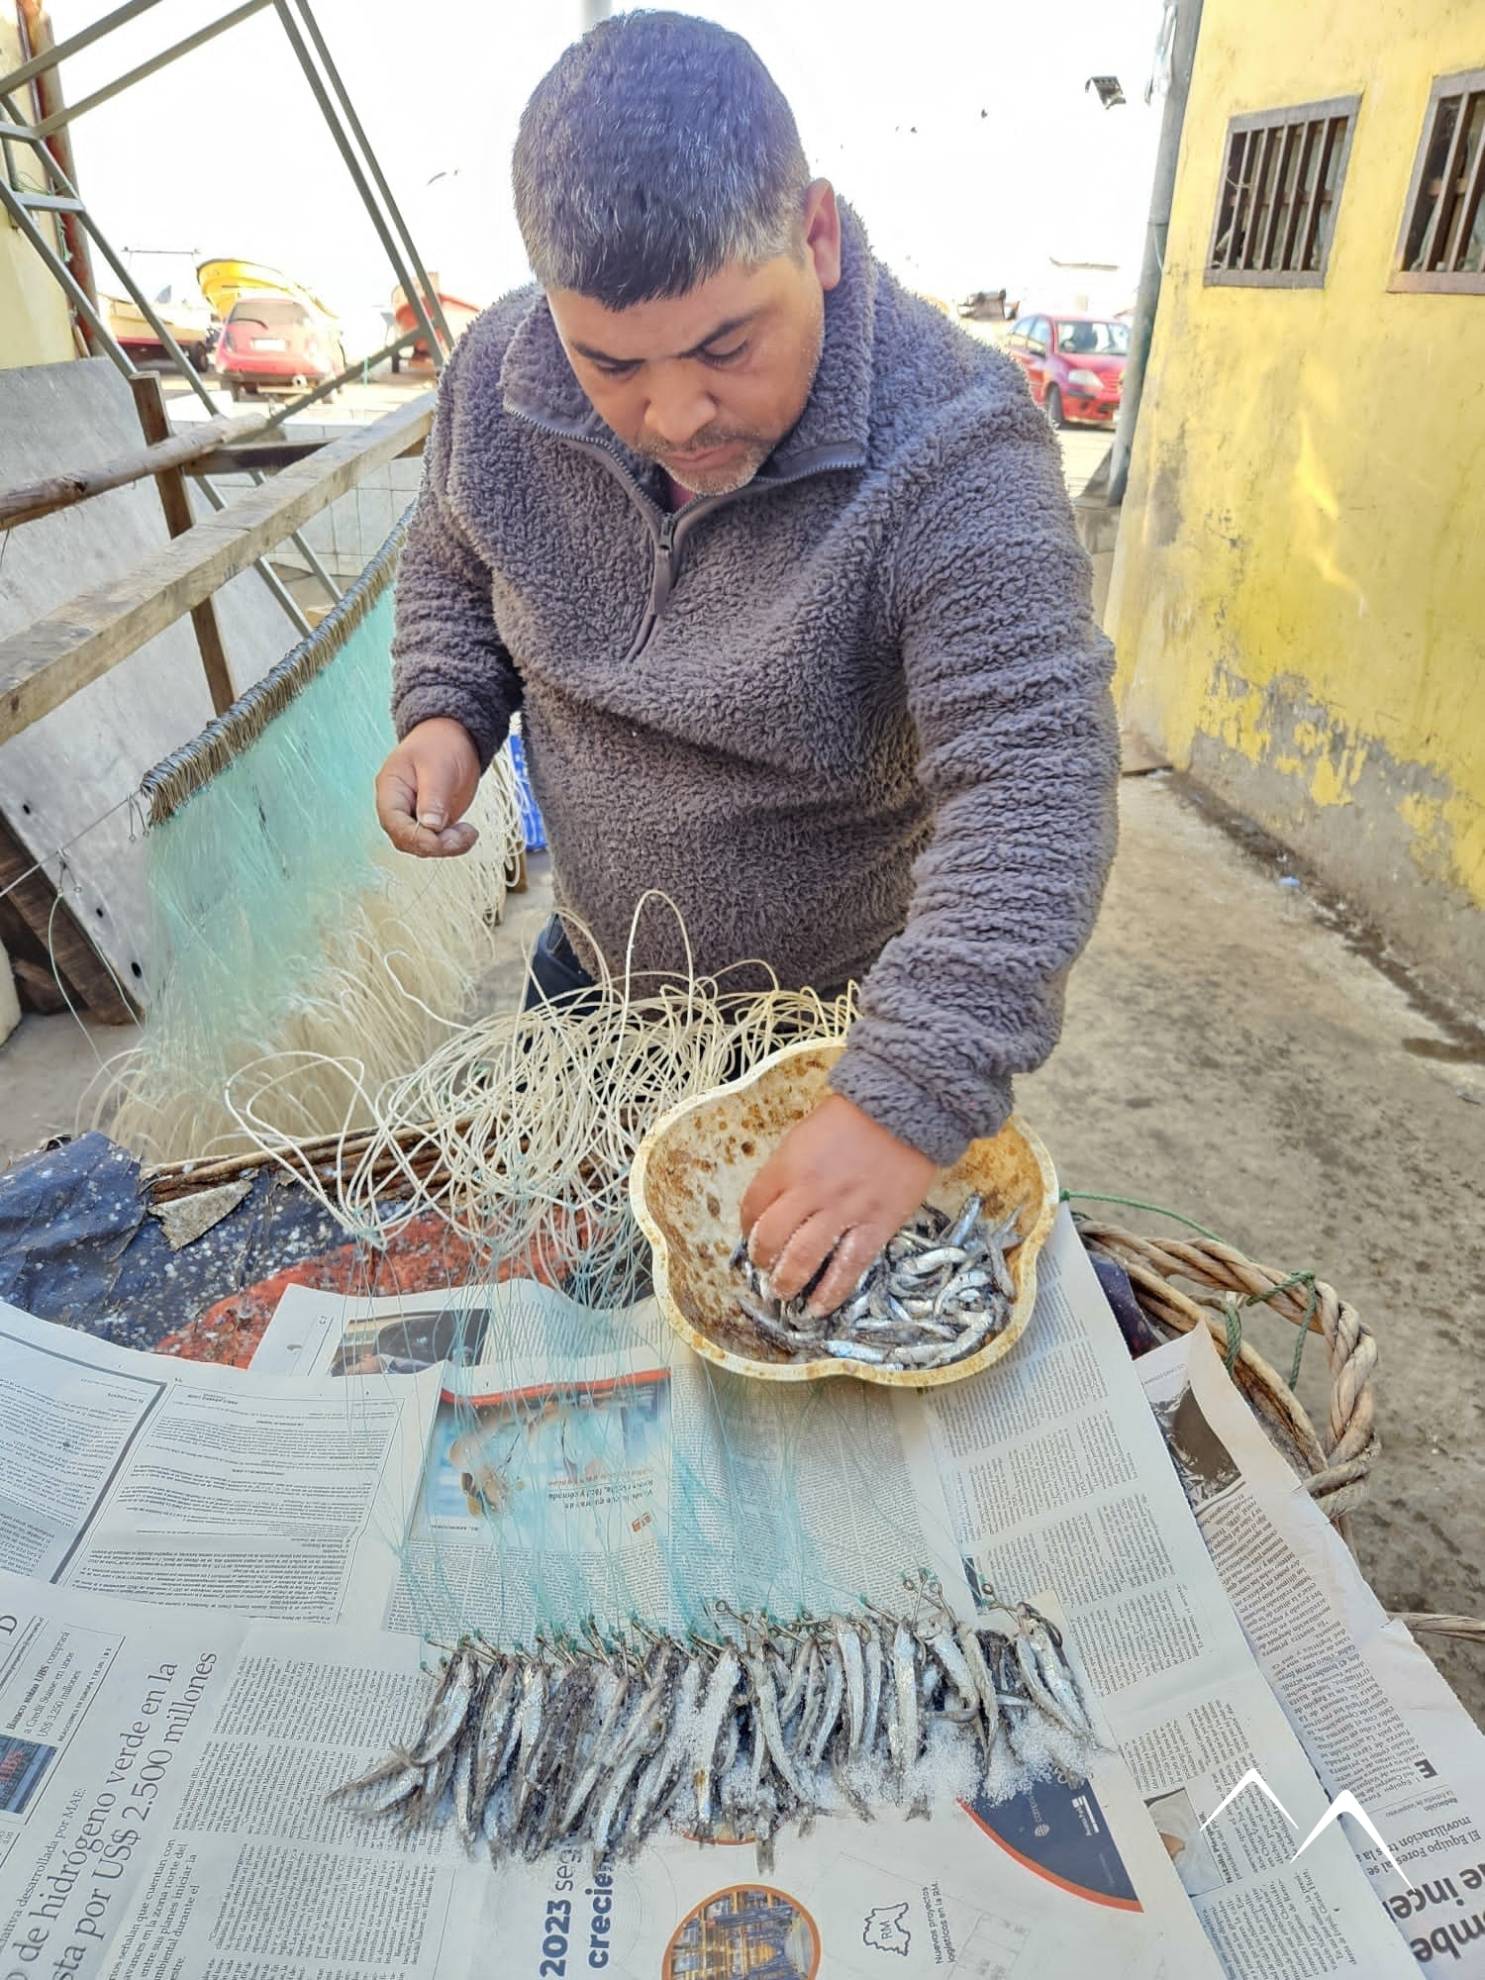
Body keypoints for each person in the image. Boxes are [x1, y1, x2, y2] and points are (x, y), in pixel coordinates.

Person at [375, 12, 1118, 1321]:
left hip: (825, 1036)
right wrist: (446, 709)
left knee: (795, 1339)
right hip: (588, 990)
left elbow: (1032, 777)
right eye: (612, 364)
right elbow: (450, 547)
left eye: (726, 346)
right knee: (570, 1305)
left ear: (815, 237)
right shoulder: (495, 373)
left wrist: (902, 1098)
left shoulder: (956, 446)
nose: (676, 418)